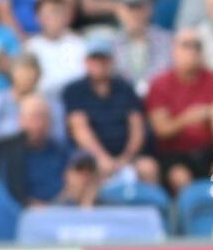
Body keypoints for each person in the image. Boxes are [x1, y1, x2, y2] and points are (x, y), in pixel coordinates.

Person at [145, 28, 213, 194]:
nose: (193, 51)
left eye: (197, 46)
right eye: (186, 46)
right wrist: (187, 119)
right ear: (174, 50)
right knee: (181, 179)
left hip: (209, 152)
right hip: (174, 154)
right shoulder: (159, 84)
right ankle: (187, 216)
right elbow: (162, 130)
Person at [62, 34, 158, 184]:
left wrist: (125, 158)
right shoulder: (75, 90)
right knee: (83, 172)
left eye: (103, 59)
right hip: (91, 157)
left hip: (127, 157)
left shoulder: (125, 88)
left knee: (148, 167)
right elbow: (80, 129)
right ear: (86, 62)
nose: (99, 64)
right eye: (95, 59)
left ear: (112, 61)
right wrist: (102, 158)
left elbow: (137, 127)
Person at [0, 93, 73, 206]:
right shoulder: (4, 152)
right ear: (21, 120)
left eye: (43, 117)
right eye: (33, 117)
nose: (39, 124)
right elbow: (3, 191)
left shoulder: (62, 150)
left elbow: (73, 182)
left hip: (60, 210)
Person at [26, 0, 87, 106]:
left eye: (57, 13)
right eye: (48, 14)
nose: (53, 18)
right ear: (38, 18)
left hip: (77, 102)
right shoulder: (31, 47)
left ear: (66, 17)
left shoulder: (80, 44)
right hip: (45, 104)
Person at [111, 0, 173, 97]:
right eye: (130, 9)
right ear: (120, 12)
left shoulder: (167, 40)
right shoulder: (111, 44)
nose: (135, 14)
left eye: (139, 8)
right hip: (125, 103)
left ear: (149, 10)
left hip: (160, 99)